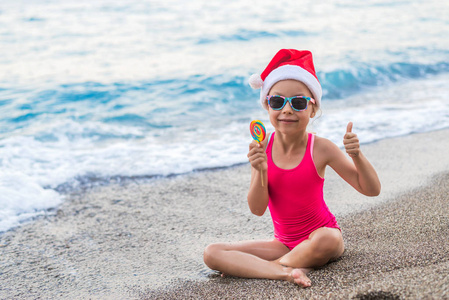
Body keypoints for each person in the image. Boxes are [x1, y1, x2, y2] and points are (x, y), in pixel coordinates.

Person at [203, 49, 381, 287]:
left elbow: (371, 189)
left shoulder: (321, 148)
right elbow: (257, 209)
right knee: (212, 253)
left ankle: (272, 267)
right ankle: (289, 270)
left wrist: (356, 155)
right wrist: (260, 170)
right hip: (284, 243)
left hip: (321, 236)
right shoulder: (262, 146)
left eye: (298, 102)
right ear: (268, 106)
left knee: (328, 239)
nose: (287, 109)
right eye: (277, 101)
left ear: (312, 109)